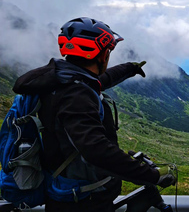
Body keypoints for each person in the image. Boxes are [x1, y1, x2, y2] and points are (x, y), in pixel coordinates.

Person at [12, 17, 176, 212]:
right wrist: (153, 176)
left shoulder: (63, 81)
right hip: (83, 201)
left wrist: (130, 68)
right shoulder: (76, 95)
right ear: (102, 54)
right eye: (109, 51)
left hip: (70, 194)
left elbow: (98, 81)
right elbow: (96, 150)